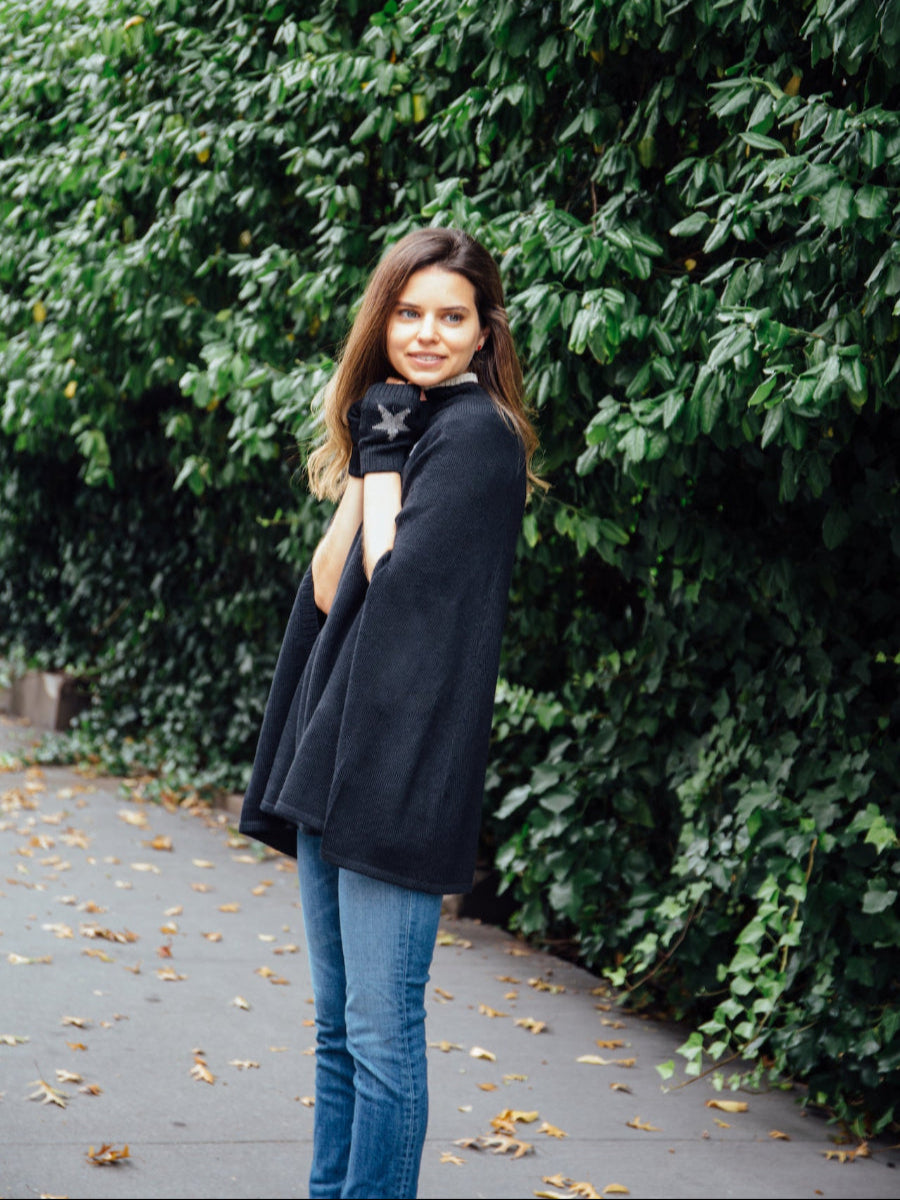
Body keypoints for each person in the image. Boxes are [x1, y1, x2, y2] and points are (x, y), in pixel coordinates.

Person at [239, 226, 542, 1199]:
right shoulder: (411, 424)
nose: (426, 332)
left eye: (451, 316)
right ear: (383, 321)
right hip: (338, 761)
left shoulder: (481, 439)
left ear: (484, 332)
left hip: (400, 774)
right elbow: (332, 585)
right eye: (409, 313)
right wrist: (377, 446)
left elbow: (398, 582)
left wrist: (384, 458)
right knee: (336, 1028)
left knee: (381, 1037)